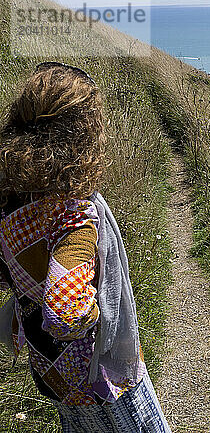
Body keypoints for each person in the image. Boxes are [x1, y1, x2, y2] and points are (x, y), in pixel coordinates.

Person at [0, 62, 171, 432]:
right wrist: (98, 309)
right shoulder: (73, 214)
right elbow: (65, 313)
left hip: (49, 370)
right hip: (100, 373)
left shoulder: (10, 200)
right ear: (83, 134)